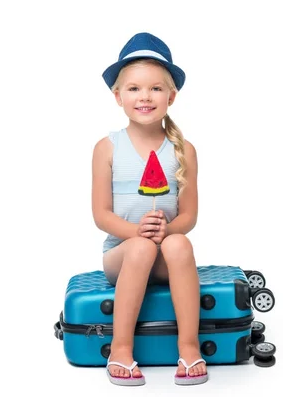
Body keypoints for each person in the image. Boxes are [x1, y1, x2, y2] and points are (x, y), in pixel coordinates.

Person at [91, 32, 207, 386]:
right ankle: (120, 349)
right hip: (121, 254)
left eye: (156, 89)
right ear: (118, 96)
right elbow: (101, 216)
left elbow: (188, 216)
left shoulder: (183, 149)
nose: (145, 96)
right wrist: (137, 232)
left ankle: (188, 347)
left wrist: (167, 230)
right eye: (134, 89)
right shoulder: (106, 148)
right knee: (142, 247)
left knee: (179, 244)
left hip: (166, 258)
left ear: (171, 96)